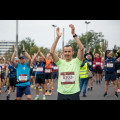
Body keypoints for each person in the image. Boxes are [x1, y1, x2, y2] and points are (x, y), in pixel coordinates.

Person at [50, 24, 84, 100]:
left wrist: (74, 34)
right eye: (65, 51)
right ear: (63, 53)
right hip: (62, 93)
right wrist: (57, 37)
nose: (67, 53)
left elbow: (81, 48)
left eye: (69, 51)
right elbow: (51, 52)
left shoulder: (77, 62)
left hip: (74, 93)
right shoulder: (60, 62)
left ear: (73, 52)